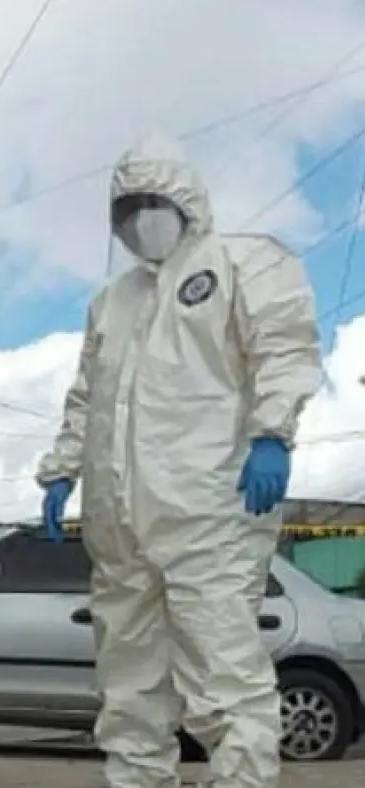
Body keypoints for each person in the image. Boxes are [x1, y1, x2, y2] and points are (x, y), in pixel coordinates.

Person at [35, 133, 321, 788]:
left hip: (208, 513)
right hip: (121, 527)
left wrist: (272, 434)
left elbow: (284, 348)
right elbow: (88, 397)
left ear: (184, 197)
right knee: (131, 693)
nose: (141, 218)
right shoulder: (113, 300)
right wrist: (61, 470)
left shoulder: (243, 263)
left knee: (226, 685)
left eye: (152, 200)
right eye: (127, 207)